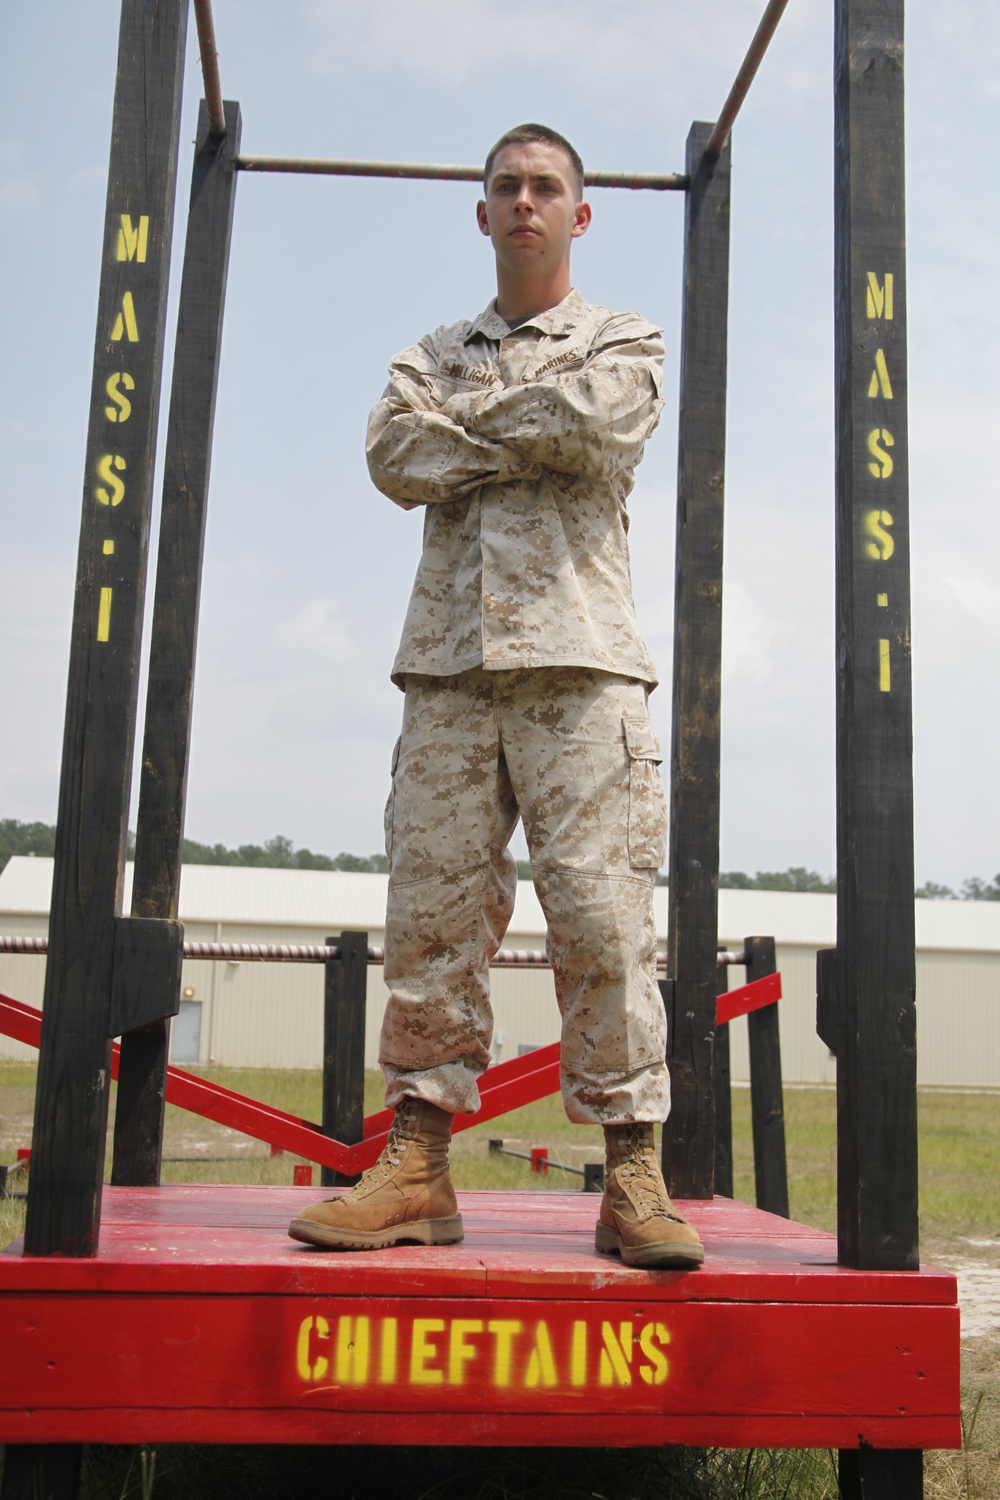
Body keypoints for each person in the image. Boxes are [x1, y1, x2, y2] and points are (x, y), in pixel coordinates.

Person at [289, 123, 703, 1270]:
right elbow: (390, 455)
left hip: (582, 667)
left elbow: (601, 420)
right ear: (481, 214)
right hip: (451, 670)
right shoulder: (428, 349)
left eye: (546, 187)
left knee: (604, 922)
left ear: (581, 213)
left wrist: (469, 425)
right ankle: (416, 1168)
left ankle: (632, 1177)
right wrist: (525, 432)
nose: (525, 202)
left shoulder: (624, 336)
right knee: (431, 921)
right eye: (506, 187)